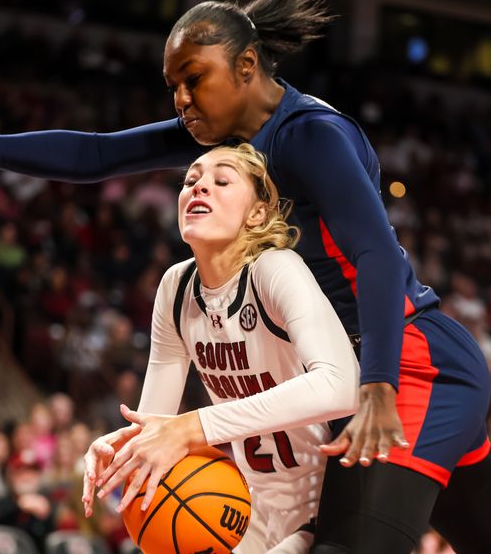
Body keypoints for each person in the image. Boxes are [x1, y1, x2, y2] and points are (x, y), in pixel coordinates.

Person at [0, 0, 491, 552]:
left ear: (248, 67)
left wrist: (380, 384)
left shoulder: (312, 137)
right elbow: (100, 153)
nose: (182, 100)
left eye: (193, 80)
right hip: (371, 363)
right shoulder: (231, 143)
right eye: (173, 86)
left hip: (410, 363)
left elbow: (378, 253)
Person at [86, 144, 359, 553]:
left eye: (221, 180)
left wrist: (196, 425)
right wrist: (123, 446)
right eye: (190, 180)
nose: (198, 188)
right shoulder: (176, 288)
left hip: (323, 507)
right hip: (243, 504)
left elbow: (342, 384)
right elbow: (157, 424)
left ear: (257, 213)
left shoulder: (274, 269)